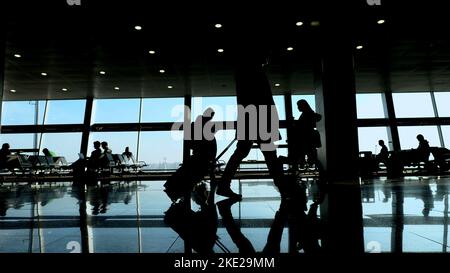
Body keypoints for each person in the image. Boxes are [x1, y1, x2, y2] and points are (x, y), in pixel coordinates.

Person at [216, 47, 288, 199]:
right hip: (260, 117)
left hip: (250, 117)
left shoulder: (243, 72)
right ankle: (283, 188)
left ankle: (223, 185)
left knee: (242, 152)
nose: (268, 59)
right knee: (270, 154)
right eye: (266, 55)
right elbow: (264, 99)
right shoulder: (255, 72)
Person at [291, 99, 322, 168]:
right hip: (308, 139)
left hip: (305, 139)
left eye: (298, 106)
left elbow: (302, 126)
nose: (298, 108)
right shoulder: (309, 113)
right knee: (312, 157)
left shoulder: (306, 114)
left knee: (298, 156)